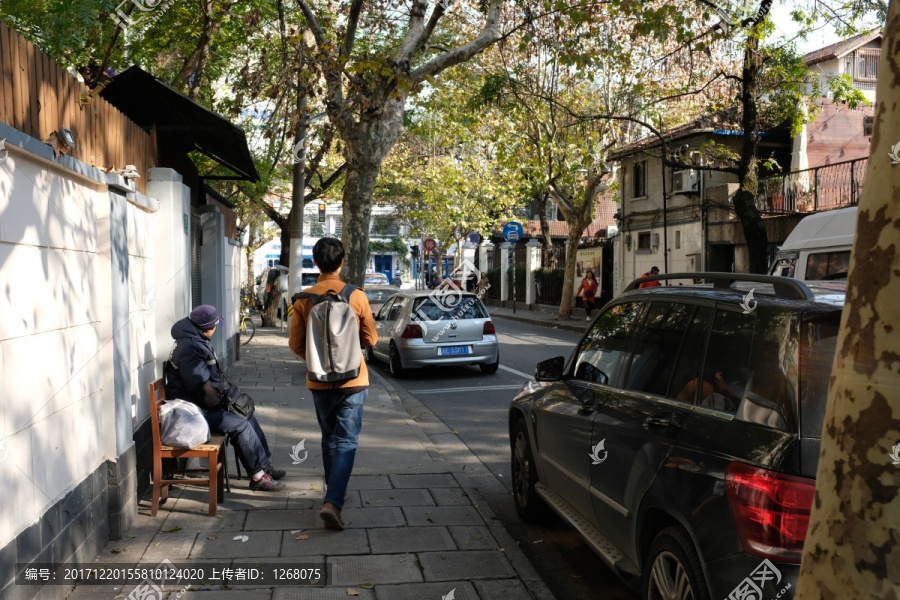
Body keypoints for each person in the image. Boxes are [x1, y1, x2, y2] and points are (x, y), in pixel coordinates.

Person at [289, 238, 378, 530]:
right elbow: (371, 339)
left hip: (319, 382)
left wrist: (315, 359)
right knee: (347, 440)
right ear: (341, 263)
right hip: (354, 379)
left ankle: (333, 491)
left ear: (315, 263)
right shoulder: (356, 295)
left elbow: (295, 344)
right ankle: (333, 501)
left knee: (329, 438)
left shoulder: (303, 298)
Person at [166, 305, 285, 491]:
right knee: (240, 425)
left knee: (246, 413)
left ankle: (264, 465)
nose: (216, 328)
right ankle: (257, 477)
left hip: (200, 405)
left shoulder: (194, 339)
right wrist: (219, 404)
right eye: (215, 325)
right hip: (192, 412)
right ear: (207, 327)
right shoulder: (189, 348)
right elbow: (199, 386)